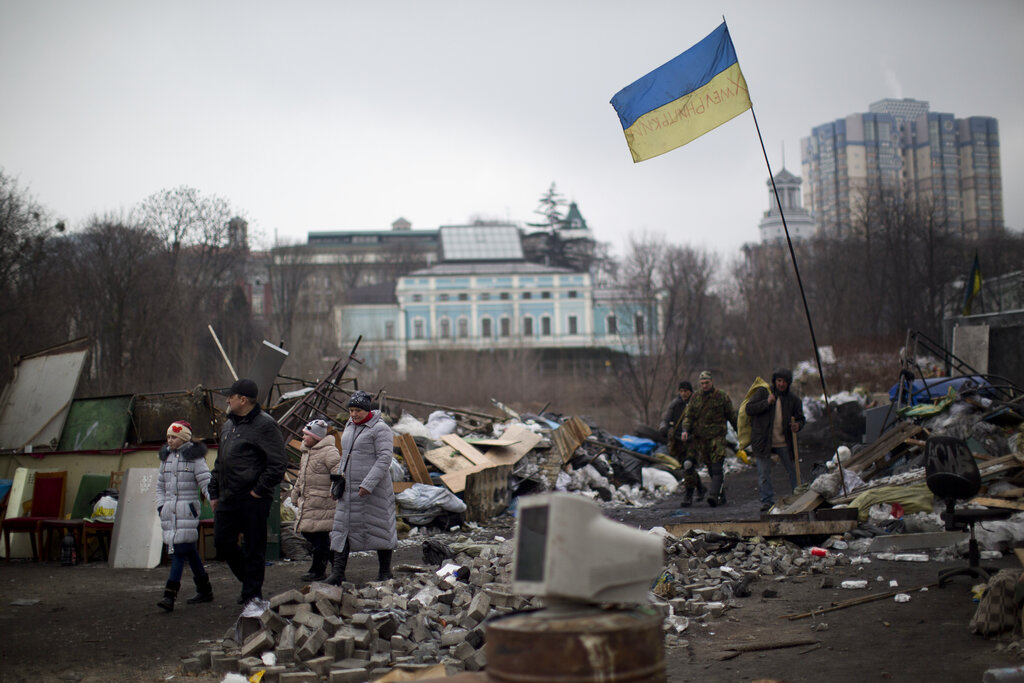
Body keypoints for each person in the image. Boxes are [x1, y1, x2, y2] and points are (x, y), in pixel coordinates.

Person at [209, 378, 287, 606]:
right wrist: (214, 492)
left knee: (254, 547)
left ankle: (252, 595)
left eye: (230, 396)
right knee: (222, 543)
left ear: (243, 400)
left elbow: (278, 464)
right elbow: (220, 462)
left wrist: (258, 491)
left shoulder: (265, 425)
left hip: (253, 497)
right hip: (228, 496)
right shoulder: (228, 425)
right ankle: (249, 581)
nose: (227, 400)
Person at [326, 390, 397, 585]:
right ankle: (337, 573)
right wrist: (336, 483)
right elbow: (345, 457)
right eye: (351, 410)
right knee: (341, 529)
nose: (354, 414)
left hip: (374, 491)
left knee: (379, 528)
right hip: (348, 490)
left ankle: (385, 572)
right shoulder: (349, 426)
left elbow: (384, 459)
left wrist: (368, 484)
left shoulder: (380, 429)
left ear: (367, 410)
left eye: (357, 410)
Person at [156, 420, 213, 611]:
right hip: (169, 511)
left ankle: (169, 595)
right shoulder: (166, 459)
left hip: (187, 511)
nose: (169, 441)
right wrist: (161, 506)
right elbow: (160, 486)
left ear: (183, 439)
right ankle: (205, 589)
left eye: (173, 437)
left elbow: (206, 482)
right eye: (168, 437)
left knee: (179, 550)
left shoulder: (195, 459)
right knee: (188, 550)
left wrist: (215, 502)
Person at [745, 367, 806, 511]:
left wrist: (798, 425)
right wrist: (766, 402)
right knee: (763, 474)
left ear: (788, 383)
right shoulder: (763, 392)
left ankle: (800, 496)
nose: (781, 384)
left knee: (793, 470)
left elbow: (801, 418)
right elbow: (749, 409)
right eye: (779, 381)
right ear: (775, 381)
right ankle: (767, 501)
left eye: (784, 381)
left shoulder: (793, 400)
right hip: (763, 441)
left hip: (784, 441)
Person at [289, 418, 341, 582]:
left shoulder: (329, 452)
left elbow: (338, 473)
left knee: (319, 537)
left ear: (317, 437)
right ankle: (336, 566)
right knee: (311, 534)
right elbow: (301, 477)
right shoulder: (306, 452)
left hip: (323, 502)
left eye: (306, 435)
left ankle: (319, 570)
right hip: (309, 502)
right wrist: (295, 492)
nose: (303, 438)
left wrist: (335, 491)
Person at [681, 370, 737, 507]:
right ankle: (721, 495)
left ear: (712, 382)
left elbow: (732, 416)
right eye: (702, 383)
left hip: (717, 437)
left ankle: (713, 495)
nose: (704, 386)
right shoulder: (696, 398)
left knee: (717, 466)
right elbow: (689, 416)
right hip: (702, 439)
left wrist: (739, 431)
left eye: (707, 383)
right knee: (711, 468)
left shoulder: (721, 396)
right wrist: (686, 430)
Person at [659, 380, 706, 506]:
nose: (683, 393)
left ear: (690, 391)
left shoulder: (697, 403)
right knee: (685, 467)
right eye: (681, 391)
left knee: (689, 464)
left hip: (693, 439)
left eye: (686, 391)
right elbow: (666, 419)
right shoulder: (675, 404)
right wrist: (663, 428)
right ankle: (701, 488)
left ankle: (688, 495)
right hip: (679, 441)